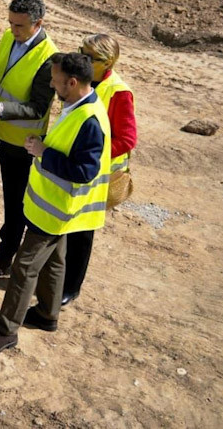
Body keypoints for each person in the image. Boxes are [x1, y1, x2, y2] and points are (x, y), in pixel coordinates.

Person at [0, 52, 111, 355]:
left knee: (24, 268)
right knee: (55, 260)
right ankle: (47, 314)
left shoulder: (90, 120)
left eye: (56, 79)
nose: (51, 83)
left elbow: (85, 171)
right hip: (53, 207)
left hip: (56, 209)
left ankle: (5, 332)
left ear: (72, 82)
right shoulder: (77, 105)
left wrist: (43, 151)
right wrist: (45, 143)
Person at [0, 0, 58, 277]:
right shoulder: (8, 38)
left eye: (19, 26)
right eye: (10, 23)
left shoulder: (49, 59)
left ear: (38, 24)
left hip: (19, 144)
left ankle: (4, 255)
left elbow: (37, 107)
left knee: (14, 203)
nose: (13, 30)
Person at [62, 33, 137, 306]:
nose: (81, 58)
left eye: (89, 56)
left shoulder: (119, 93)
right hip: (70, 168)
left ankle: (71, 287)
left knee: (81, 232)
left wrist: (92, 155)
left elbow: (127, 139)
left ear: (107, 63)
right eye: (81, 51)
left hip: (96, 175)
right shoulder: (79, 80)